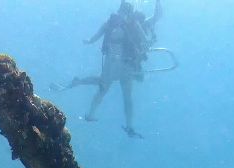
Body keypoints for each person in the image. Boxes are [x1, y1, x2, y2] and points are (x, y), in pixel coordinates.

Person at [54, 0, 162, 137]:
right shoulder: (135, 24)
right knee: (119, 94)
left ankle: (86, 104)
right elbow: (150, 31)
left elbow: (94, 38)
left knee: (103, 87)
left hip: (117, 65)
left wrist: (88, 41)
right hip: (126, 67)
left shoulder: (112, 23)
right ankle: (127, 126)